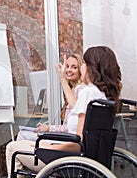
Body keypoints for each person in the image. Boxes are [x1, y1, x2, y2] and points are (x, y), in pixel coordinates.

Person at [7, 46, 122, 177]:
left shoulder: (87, 93)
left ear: (92, 67)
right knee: (28, 142)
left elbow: (79, 141)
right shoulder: (103, 96)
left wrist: (49, 147)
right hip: (88, 157)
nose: (82, 66)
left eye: (83, 63)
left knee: (12, 148)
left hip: (70, 159)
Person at [6, 54, 86, 176]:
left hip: (66, 150)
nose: (69, 70)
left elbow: (75, 115)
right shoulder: (75, 89)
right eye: (67, 66)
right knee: (24, 136)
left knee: (13, 147)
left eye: (74, 67)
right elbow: (69, 126)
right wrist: (49, 128)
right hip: (67, 145)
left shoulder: (80, 90)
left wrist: (62, 79)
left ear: (82, 69)